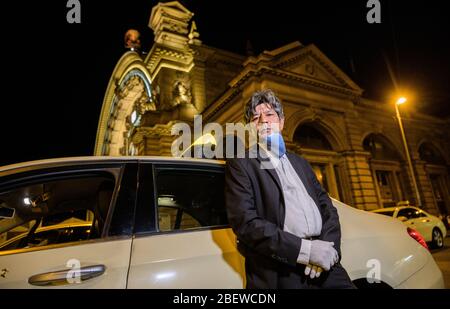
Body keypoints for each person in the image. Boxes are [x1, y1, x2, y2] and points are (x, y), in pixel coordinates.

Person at [224, 89, 355, 289]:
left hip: (326, 265)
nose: (263, 121)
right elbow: (245, 223)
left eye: (269, 115)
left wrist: (330, 250)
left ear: (281, 122)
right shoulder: (241, 163)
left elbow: (328, 208)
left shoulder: (300, 162)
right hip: (282, 270)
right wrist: (305, 251)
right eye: (255, 118)